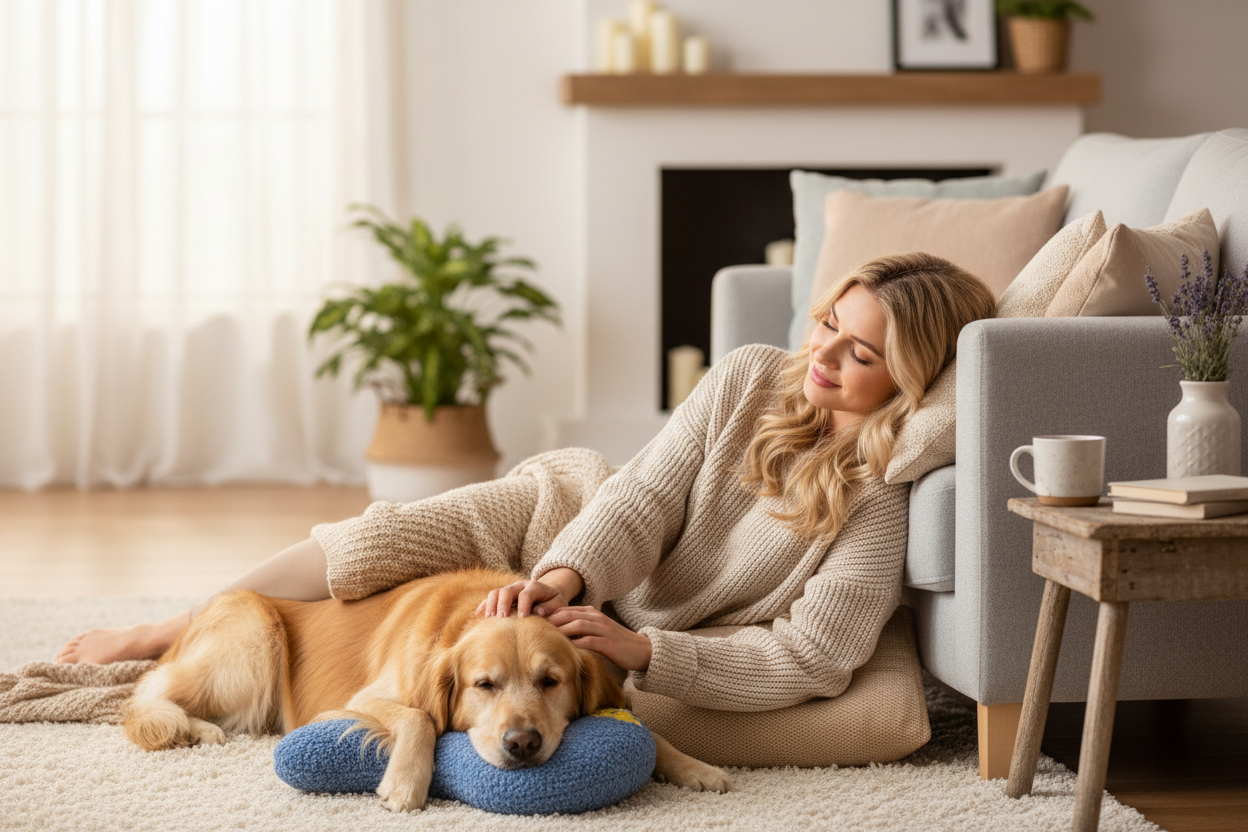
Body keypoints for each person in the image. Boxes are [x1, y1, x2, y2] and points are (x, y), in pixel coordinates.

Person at [57, 252, 996, 712]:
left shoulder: (878, 498)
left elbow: (813, 658)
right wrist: (562, 578)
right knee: (391, 534)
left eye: (860, 351)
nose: (822, 354)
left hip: (644, 624)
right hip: (581, 521)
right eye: (828, 322)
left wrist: (644, 654)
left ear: (910, 378)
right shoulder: (754, 373)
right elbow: (643, 497)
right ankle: (172, 628)